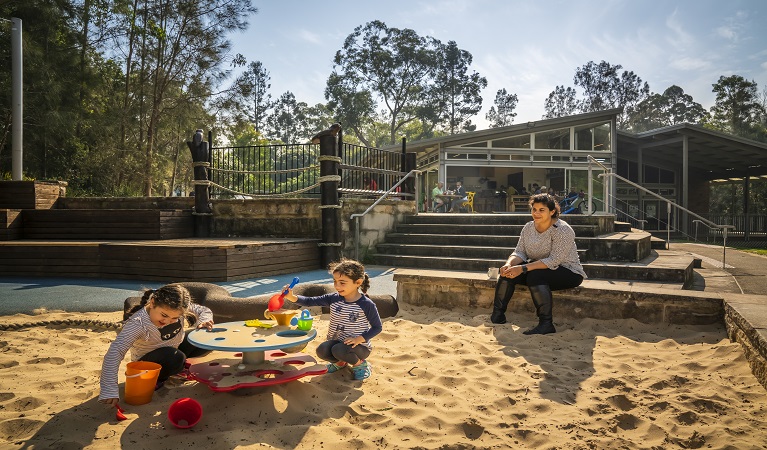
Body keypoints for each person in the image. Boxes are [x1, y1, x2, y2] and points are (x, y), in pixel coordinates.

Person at [99, 284, 214, 407]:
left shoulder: (177, 307)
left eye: (175, 318)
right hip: (148, 364)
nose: (167, 321)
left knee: (204, 337)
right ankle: (159, 378)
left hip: (173, 350)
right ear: (153, 303)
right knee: (175, 357)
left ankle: (178, 366)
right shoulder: (138, 324)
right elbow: (115, 351)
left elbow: (204, 310)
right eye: (164, 315)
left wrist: (203, 321)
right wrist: (109, 389)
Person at [490, 193, 587, 334]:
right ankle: (497, 315)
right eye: (534, 209)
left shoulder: (563, 230)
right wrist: (509, 264)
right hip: (537, 268)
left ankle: (546, 324)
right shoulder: (528, 227)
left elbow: (554, 260)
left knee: (534, 276)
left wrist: (522, 268)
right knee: (507, 273)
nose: (536, 213)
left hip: (568, 271)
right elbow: (520, 252)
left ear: (552, 211)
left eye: (542, 210)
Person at [284, 258, 382, 380]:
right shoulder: (334, 298)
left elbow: (377, 327)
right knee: (322, 350)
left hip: (359, 347)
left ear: (358, 282)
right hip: (338, 342)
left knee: (338, 350)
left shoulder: (366, 304)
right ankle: (340, 363)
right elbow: (310, 301)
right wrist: (292, 297)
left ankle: (360, 365)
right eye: (335, 281)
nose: (337, 286)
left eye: (342, 282)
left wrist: (359, 339)